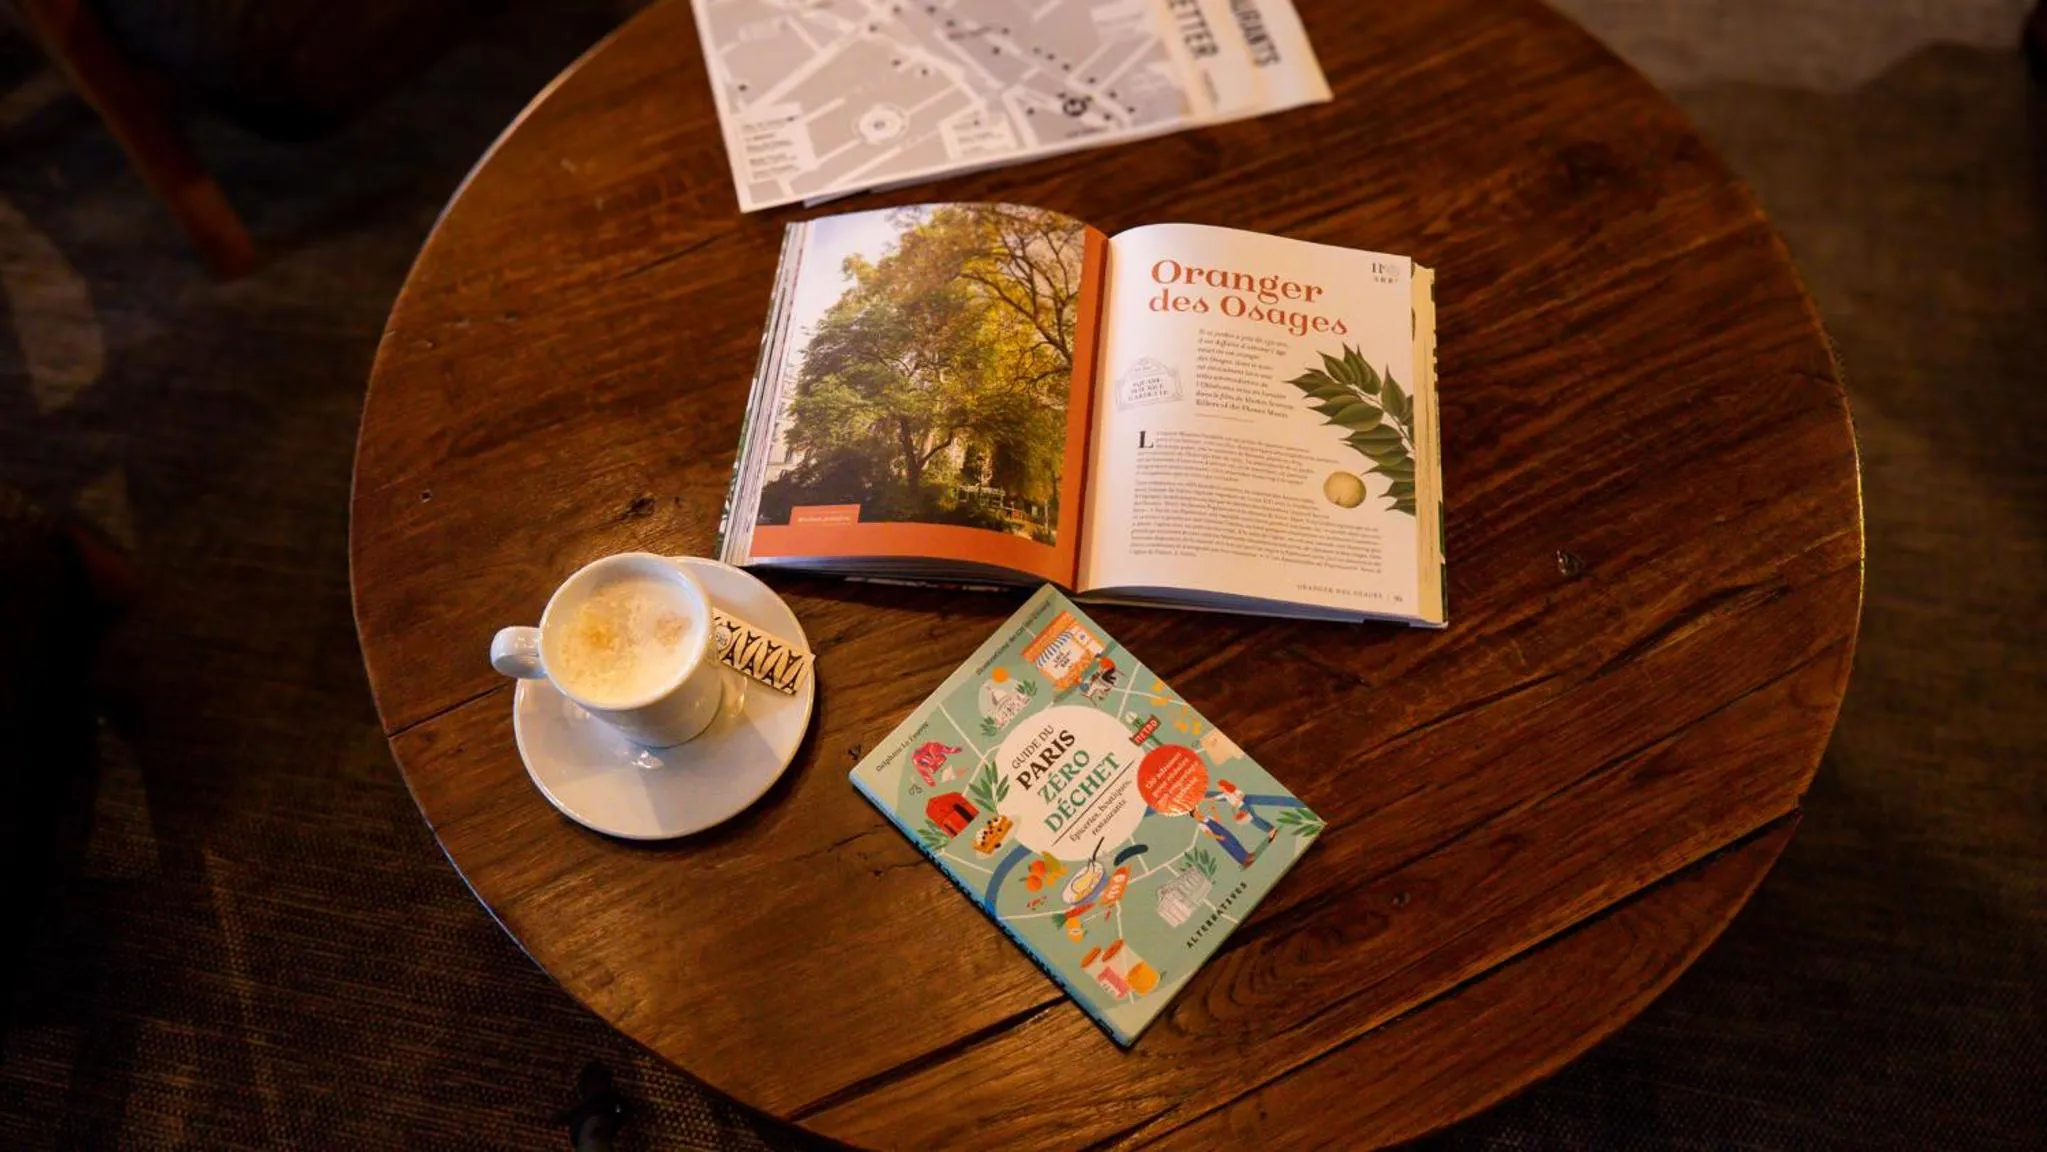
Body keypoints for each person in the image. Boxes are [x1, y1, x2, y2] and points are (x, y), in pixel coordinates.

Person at [1215, 779, 1278, 844]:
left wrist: (1237, 802)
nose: (1218, 788)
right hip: (1241, 808)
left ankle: (1270, 832)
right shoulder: (1225, 794)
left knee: (1255, 821)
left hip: (1244, 806)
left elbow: (1242, 794)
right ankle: (1272, 828)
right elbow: (1216, 797)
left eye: (1219, 786)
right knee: (1256, 818)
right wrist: (1208, 799)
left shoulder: (1233, 790)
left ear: (1223, 786)